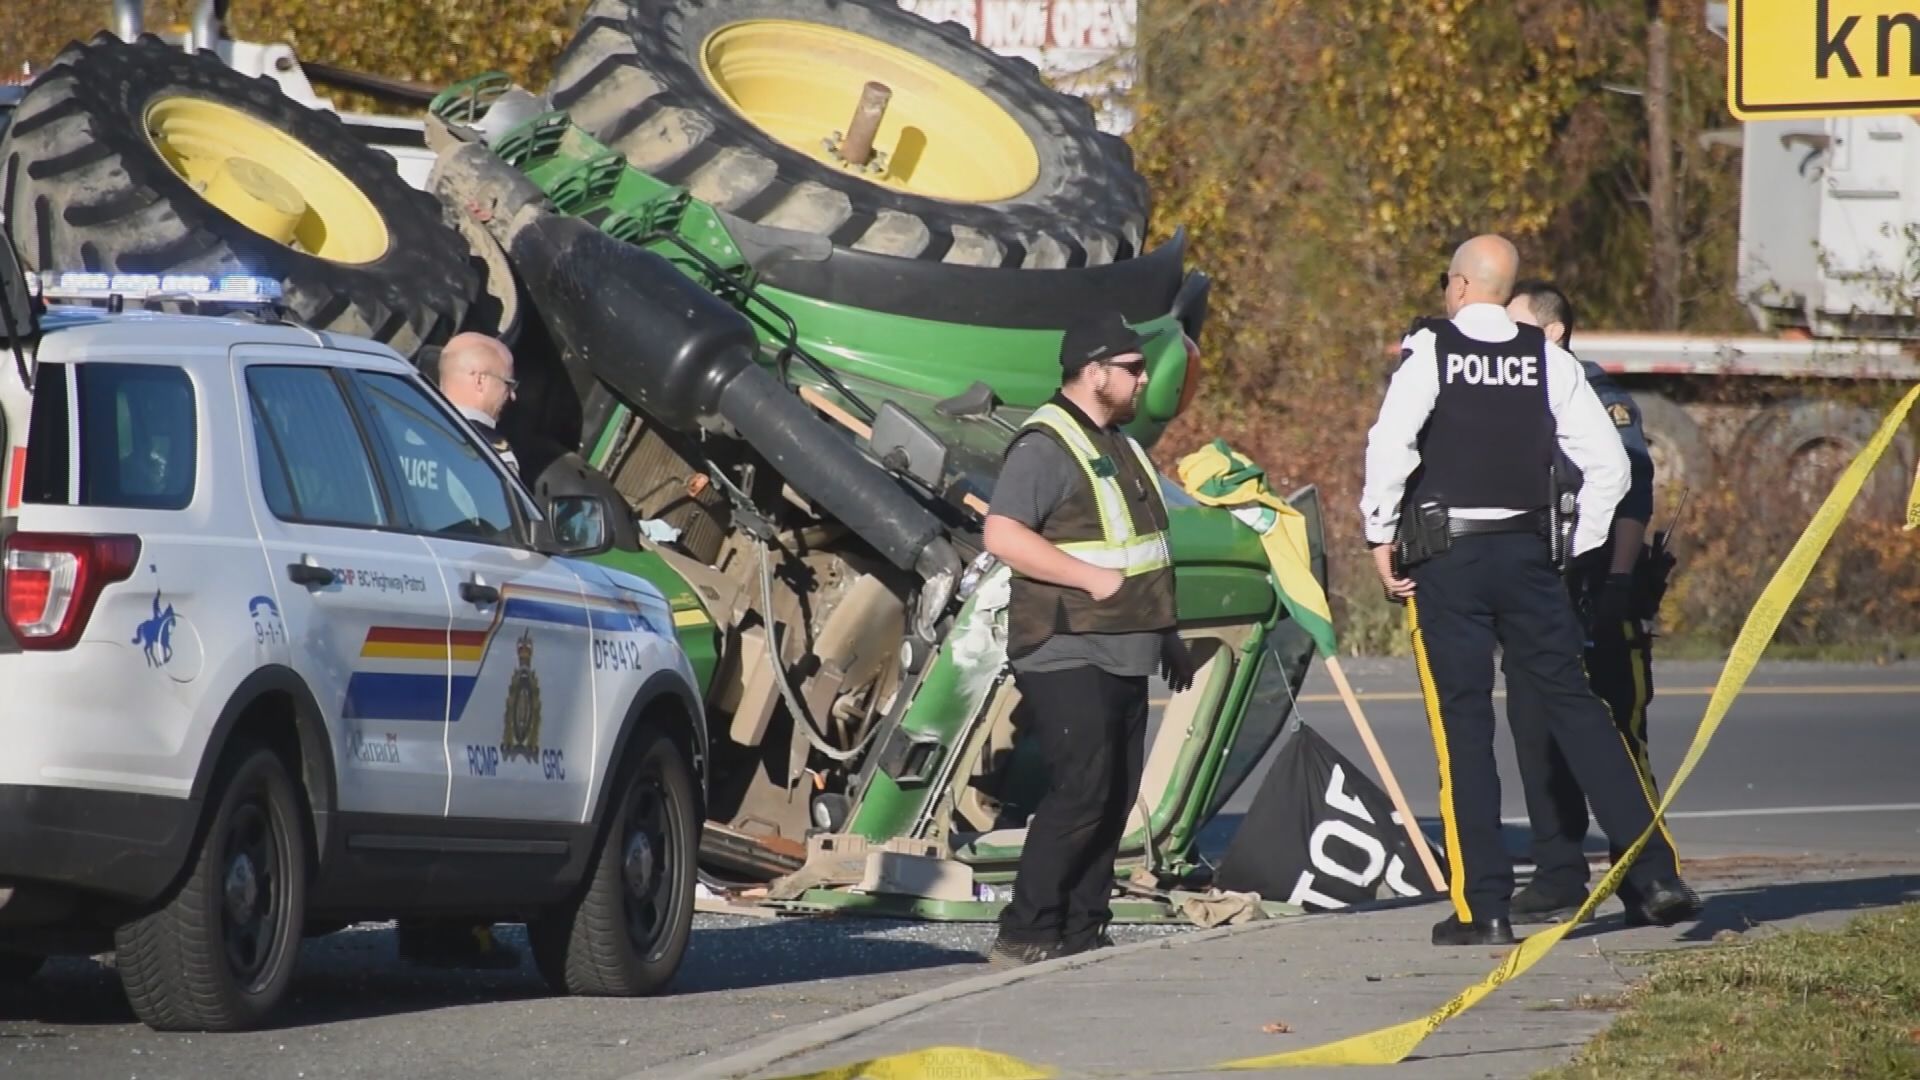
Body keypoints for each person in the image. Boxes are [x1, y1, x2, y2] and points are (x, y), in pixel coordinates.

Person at [1358, 234, 1700, 946]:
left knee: (1464, 725)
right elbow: (1609, 469)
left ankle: (1483, 907)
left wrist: (1379, 533)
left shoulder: (1431, 354)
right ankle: (1655, 873)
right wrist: (1577, 553)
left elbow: (1391, 447)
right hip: (1529, 555)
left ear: (1457, 287)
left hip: (1446, 555)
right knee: (1577, 709)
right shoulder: (1546, 359)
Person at [982, 310, 1196, 967]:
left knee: (1114, 795)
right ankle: (1025, 932)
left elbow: (1144, 550)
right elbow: (1003, 534)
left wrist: (1168, 635)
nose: (1143, 381)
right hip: (1066, 643)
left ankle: (1081, 931)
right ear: (1095, 372)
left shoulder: (1122, 444)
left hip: (1125, 646)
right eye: (1133, 370)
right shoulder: (1046, 444)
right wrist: (1088, 579)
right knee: (1082, 790)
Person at [1501, 280, 1675, 924]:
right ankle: (1557, 871)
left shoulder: (1599, 399)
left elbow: (1629, 492)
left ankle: (1645, 877)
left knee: (1616, 734)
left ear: (1551, 333)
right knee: (1534, 733)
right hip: (1537, 591)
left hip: (1598, 589)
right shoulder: (1521, 398)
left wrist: (1617, 586)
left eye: (1517, 325)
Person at [436, 331, 521, 475]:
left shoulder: (404, 431)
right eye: (508, 384)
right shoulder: (493, 454)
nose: (512, 395)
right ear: (480, 381)